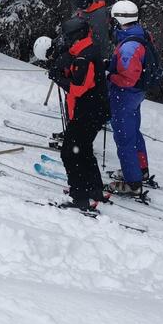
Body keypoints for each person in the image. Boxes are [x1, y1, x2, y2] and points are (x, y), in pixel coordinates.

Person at [48, 17, 109, 210]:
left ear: (76, 36)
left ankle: (79, 196)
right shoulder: (85, 49)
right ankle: (94, 188)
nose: (66, 41)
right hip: (94, 110)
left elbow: (78, 88)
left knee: (70, 153)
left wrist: (58, 78)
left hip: (87, 112)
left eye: (68, 37)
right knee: (84, 149)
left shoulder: (84, 58)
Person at [104, 0, 154, 196]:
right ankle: (141, 170)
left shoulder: (129, 46)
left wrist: (109, 75)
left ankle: (132, 182)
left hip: (126, 94)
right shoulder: (140, 35)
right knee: (133, 131)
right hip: (137, 94)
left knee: (124, 137)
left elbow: (128, 78)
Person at [70, 0, 112, 66]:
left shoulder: (98, 16)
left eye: (81, 7)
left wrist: (103, 61)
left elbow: (102, 40)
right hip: (84, 47)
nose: (79, 10)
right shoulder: (85, 9)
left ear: (88, 3)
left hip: (93, 53)